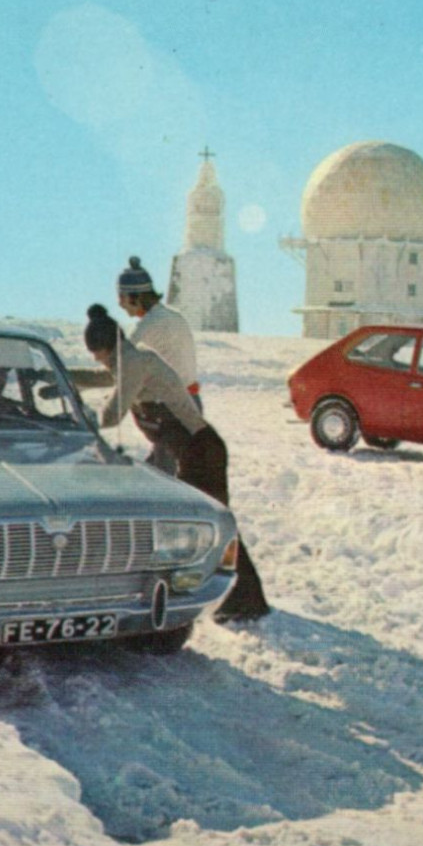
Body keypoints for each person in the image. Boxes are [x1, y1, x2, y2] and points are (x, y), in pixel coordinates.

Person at [84, 305, 270, 622]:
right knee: (207, 528)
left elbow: (112, 413)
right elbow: (105, 378)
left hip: (201, 452)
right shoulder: (129, 358)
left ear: (104, 347)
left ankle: (245, 599)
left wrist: (79, 419)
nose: (97, 360)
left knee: (213, 528)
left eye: (96, 354)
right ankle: (239, 596)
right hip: (194, 452)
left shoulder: (134, 362)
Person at [114, 256, 199, 475]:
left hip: (168, 409)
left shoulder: (148, 324)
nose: (119, 303)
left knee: (163, 475)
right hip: (190, 403)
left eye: (121, 297)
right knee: (159, 467)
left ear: (135, 297)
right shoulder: (173, 316)